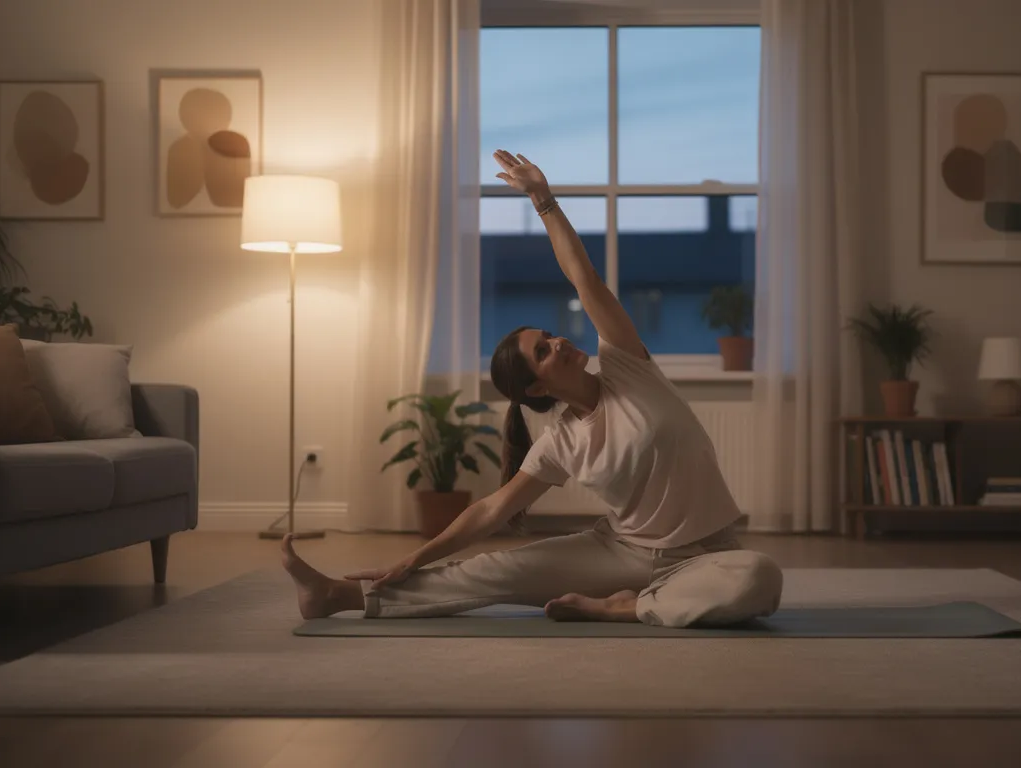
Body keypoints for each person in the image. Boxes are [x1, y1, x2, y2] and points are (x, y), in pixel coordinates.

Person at [281, 149, 783, 627]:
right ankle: (337, 596)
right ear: (539, 391)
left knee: (759, 578)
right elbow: (493, 510)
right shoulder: (562, 441)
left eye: (548, 336)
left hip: (707, 556)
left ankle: (619, 610)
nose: (559, 342)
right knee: (495, 570)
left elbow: (585, 281)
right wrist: (415, 556)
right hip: (619, 554)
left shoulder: (629, 367)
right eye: (543, 352)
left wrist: (544, 201)